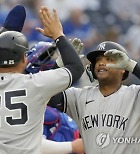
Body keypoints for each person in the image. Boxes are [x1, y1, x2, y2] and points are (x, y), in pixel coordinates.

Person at [48, 41, 140, 154]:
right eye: (98, 60)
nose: (101, 63)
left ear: (123, 68)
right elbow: (47, 94)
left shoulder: (136, 95)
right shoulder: (78, 96)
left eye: (109, 59)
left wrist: (132, 66)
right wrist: (60, 63)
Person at [0, 6, 84, 154]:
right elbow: (76, 67)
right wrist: (58, 35)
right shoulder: (36, 83)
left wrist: (5, 36)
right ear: (24, 58)